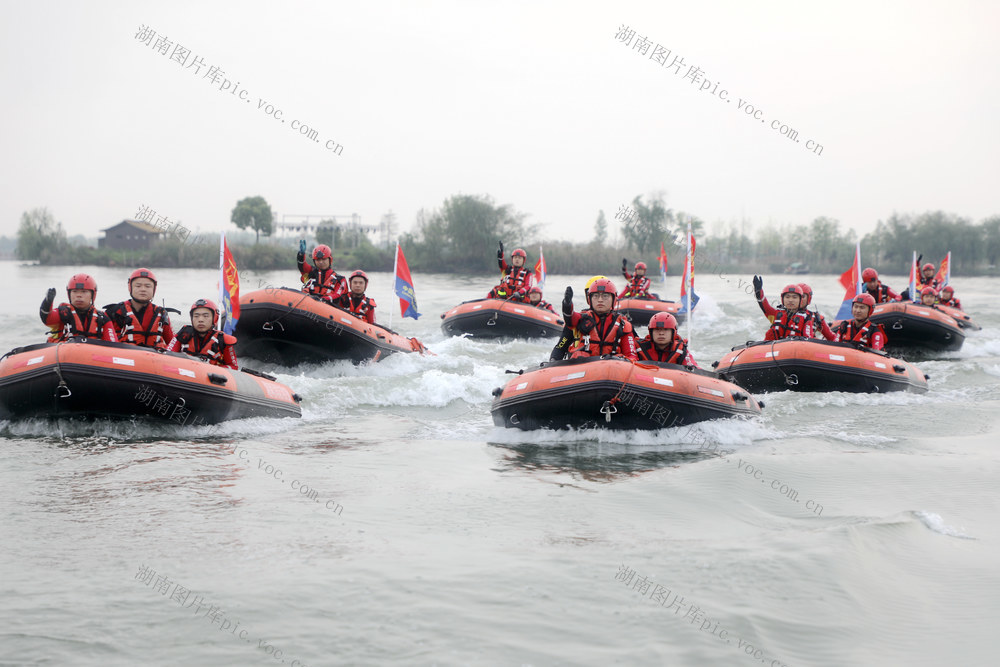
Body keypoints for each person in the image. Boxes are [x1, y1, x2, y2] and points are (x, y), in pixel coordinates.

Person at [551, 279, 637, 361]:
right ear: (590, 299)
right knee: (579, 355)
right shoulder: (581, 318)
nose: (600, 300)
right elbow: (570, 317)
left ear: (613, 299)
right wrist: (567, 305)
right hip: (582, 367)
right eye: (596, 296)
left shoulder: (624, 325)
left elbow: (631, 355)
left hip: (612, 367)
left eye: (605, 296)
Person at [104, 268, 174, 350]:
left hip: (154, 359)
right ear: (130, 287)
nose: (143, 289)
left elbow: (173, 344)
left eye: (148, 286)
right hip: (124, 357)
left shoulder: (162, 315)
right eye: (138, 286)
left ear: (154, 289)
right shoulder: (114, 312)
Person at [40, 273, 118, 342]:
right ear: (69, 294)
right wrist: (47, 303)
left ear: (92, 295)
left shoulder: (103, 319)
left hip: (92, 357)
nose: (79, 295)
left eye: (84, 291)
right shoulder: (62, 313)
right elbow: (47, 319)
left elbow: (114, 346)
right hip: (63, 355)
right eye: (75, 291)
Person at [166, 299, 238, 369]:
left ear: (215, 318)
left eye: (205, 316)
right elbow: (168, 355)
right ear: (192, 318)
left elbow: (233, 367)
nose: (200, 320)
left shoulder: (223, 340)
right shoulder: (184, 333)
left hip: (211, 378)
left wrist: (214, 369)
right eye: (196, 316)